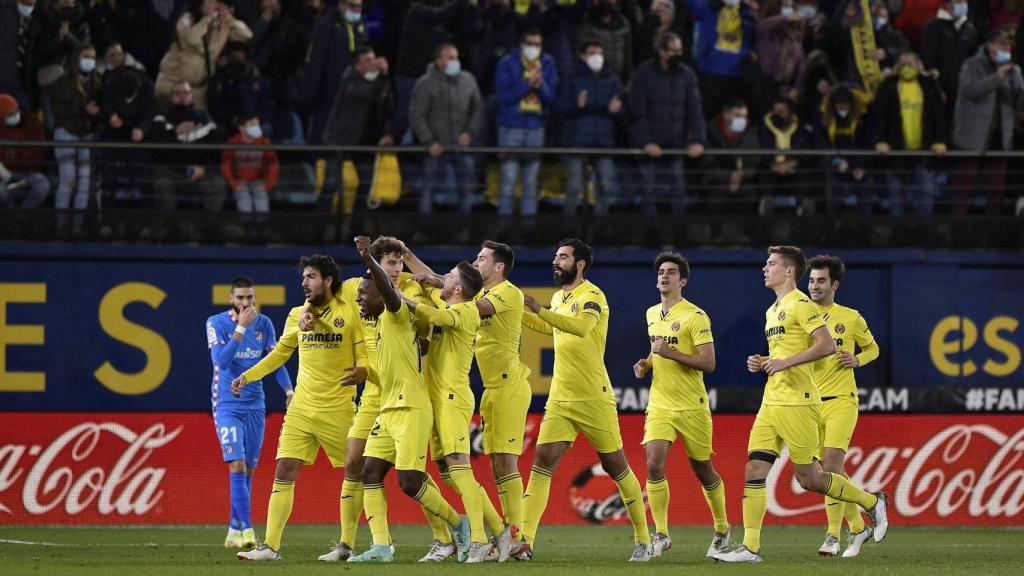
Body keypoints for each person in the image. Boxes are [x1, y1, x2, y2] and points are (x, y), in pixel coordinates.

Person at [713, 246, 889, 563]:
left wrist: (785, 363)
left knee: (810, 479)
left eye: (771, 264)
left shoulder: (802, 305)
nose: (764, 269)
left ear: (789, 271)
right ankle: (750, 547)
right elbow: (788, 353)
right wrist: (764, 361)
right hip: (772, 402)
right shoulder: (773, 309)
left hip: (799, 403)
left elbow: (825, 345)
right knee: (754, 469)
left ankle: (870, 502)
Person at [520, 238, 652, 562]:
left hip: (594, 397)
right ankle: (523, 541)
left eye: (562, 257)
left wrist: (540, 310)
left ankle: (643, 539)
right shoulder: (558, 297)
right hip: (560, 397)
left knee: (615, 464)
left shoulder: (593, 296)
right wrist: (520, 313)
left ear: (579, 264)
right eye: (555, 256)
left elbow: (580, 328)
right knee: (542, 463)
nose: (556, 261)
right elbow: (548, 325)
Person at [401, 239, 533, 561]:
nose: (478, 260)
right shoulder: (460, 301)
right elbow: (445, 290)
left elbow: (443, 308)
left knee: (477, 467)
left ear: (498, 266)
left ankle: (489, 538)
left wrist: (407, 290)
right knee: (451, 471)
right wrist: (406, 256)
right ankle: (502, 532)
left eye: (482, 257)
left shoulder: (486, 302)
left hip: (476, 393)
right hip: (453, 395)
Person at [234, 254, 367, 561]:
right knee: (284, 469)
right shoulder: (296, 314)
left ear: (328, 280)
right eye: (303, 277)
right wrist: (248, 375)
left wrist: (364, 371)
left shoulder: (350, 313)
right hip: (301, 408)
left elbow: (363, 355)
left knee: (354, 470)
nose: (304, 282)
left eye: (310, 277)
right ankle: (269, 547)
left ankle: (347, 545)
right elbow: (280, 353)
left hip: (338, 408)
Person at [347, 235, 470, 563]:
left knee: (409, 482)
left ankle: (459, 525)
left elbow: (389, 290)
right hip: (388, 408)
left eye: (364, 292)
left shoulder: (397, 312)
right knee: (369, 473)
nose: (359, 299)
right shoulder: (376, 321)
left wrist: (367, 259)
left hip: (412, 407)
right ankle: (381, 547)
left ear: (380, 290)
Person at [322, 236, 435, 563]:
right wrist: (308, 318)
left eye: (400, 263)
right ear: (376, 265)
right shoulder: (358, 287)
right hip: (374, 392)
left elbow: (429, 329)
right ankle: (349, 543)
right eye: (391, 263)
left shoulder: (412, 289)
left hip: (404, 389)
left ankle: (445, 535)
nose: (397, 269)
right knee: (355, 462)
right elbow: (325, 302)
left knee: (414, 474)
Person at [632, 252, 730, 559]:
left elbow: (709, 363)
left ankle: (722, 527)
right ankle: (661, 533)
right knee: (653, 464)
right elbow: (656, 350)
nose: (664, 276)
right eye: (661, 271)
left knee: (703, 468)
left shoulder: (695, 316)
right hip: (660, 403)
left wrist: (670, 353)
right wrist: (647, 363)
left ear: (682, 281)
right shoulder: (651, 313)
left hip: (692, 406)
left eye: (671, 272)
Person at [206, 276, 293, 549]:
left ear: (254, 298)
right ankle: (247, 530)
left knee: (250, 471)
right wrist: (240, 330)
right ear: (231, 299)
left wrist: (289, 391)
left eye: (249, 298)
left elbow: (274, 361)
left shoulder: (264, 324)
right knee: (237, 464)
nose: (245, 302)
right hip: (227, 404)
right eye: (240, 298)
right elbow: (221, 361)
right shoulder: (216, 323)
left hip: (256, 404)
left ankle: (233, 529)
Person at [806, 255, 880, 558]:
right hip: (809, 404)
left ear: (834, 284)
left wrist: (857, 359)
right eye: (811, 280)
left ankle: (833, 536)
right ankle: (859, 527)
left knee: (831, 466)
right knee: (827, 472)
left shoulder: (850, 317)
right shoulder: (800, 315)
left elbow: (873, 348)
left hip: (841, 401)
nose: (814, 285)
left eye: (821, 280)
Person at [628, 31, 705, 215]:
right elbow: (638, 112)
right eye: (673, 51)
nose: (678, 54)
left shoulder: (687, 74)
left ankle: (676, 237)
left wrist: (698, 140)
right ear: (661, 52)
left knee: (678, 191)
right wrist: (646, 141)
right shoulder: (643, 74)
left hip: (676, 147)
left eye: (679, 50)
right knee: (648, 191)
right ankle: (650, 237)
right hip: (649, 148)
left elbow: (695, 111)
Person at [950, 29, 1024, 215]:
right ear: (989, 45)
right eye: (1002, 44)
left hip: (1000, 136)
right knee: (962, 188)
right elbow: (969, 90)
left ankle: (993, 232)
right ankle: (956, 230)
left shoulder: (1013, 69)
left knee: (996, 189)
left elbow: (1018, 104)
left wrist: (1019, 83)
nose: (1006, 48)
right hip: (972, 136)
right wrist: (996, 77)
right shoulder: (972, 65)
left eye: (1008, 45)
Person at [409, 41, 484, 215]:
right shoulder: (425, 83)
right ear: (438, 61)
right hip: (436, 148)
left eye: (456, 58)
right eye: (450, 58)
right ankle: (424, 230)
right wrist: (429, 142)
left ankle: (463, 230)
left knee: (466, 191)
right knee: (428, 191)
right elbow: (416, 115)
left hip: (461, 147)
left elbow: (478, 109)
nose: (455, 61)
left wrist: (469, 133)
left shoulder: (468, 80)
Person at [871, 52, 947, 216]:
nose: (906, 68)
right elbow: (879, 116)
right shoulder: (888, 86)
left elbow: (938, 115)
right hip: (895, 152)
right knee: (896, 196)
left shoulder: (929, 86)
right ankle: (896, 235)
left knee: (926, 194)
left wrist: (940, 141)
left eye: (910, 64)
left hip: (924, 152)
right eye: (902, 64)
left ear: (919, 66)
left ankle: (926, 233)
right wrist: (881, 140)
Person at [321, 46, 394, 215]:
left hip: (366, 141)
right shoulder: (349, 80)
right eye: (367, 61)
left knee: (366, 184)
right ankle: (320, 230)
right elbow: (366, 93)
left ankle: (355, 230)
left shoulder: (381, 82)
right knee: (330, 185)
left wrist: (387, 134)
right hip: (339, 140)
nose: (373, 63)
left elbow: (388, 110)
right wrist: (382, 76)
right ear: (357, 66)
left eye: (373, 58)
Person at [494, 28, 558, 217]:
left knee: (531, 184)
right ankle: (503, 233)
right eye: (530, 44)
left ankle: (528, 231)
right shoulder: (507, 63)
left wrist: (540, 85)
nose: (534, 48)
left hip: (536, 128)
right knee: (508, 182)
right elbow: (503, 96)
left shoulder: (548, 63)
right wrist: (528, 84)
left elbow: (551, 98)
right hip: (510, 127)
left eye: (537, 45)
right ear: (522, 45)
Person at [558, 41, 622, 216]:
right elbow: (560, 108)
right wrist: (576, 106)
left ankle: (601, 230)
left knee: (606, 188)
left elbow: (623, 111)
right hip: (576, 142)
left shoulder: (612, 80)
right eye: (592, 53)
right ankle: (568, 232)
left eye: (600, 53)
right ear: (582, 56)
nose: (597, 57)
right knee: (573, 188)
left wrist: (617, 110)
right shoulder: (571, 78)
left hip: (604, 142)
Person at [155, 0, 253, 110]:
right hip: (171, 83)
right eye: (210, 2)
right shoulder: (187, 18)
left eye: (217, 2)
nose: (214, 6)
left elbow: (246, 35)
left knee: (200, 124)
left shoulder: (223, 24)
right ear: (200, 4)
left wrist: (231, 20)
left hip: (198, 88)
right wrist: (207, 20)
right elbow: (191, 39)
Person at [301, 0, 367, 145]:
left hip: (353, 89)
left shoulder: (360, 26)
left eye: (359, 6)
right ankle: (315, 161)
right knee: (324, 129)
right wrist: (310, 92)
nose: (356, 10)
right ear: (341, 5)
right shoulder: (326, 26)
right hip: (329, 89)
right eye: (352, 6)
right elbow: (315, 61)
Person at [50, 42, 100, 232]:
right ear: (76, 59)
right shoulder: (60, 83)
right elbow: (58, 112)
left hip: (87, 135)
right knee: (68, 180)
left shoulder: (97, 82)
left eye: (93, 58)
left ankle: (77, 228)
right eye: (86, 57)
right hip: (66, 133)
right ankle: (61, 227)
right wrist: (83, 109)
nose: (90, 61)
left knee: (85, 182)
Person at [919, 0, 979, 122]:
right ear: (947, 4)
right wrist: (936, 87)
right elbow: (927, 58)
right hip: (940, 87)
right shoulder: (933, 26)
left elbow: (974, 58)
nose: (962, 4)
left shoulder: (969, 28)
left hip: (964, 87)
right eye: (958, 1)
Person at [220, 112, 279, 214]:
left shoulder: (264, 141)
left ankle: (262, 228)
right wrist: (235, 184)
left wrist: (267, 184)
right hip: (239, 181)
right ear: (241, 128)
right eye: (252, 125)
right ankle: (247, 228)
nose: (256, 127)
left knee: (262, 203)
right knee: (244, 201)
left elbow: (273, 164)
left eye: (257, 124)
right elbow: (225, 165)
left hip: (259, 181)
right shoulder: (233, 142)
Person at [0, 92, 50, 208]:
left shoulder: (31, 120)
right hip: (5, 174)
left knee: (42, 184)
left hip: (28, 171)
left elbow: (38, 149)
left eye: (16, 110)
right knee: (1, 191)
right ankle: (10, 216)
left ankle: (23, 216)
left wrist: (18, 156)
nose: (16, 114)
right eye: (10, 114)